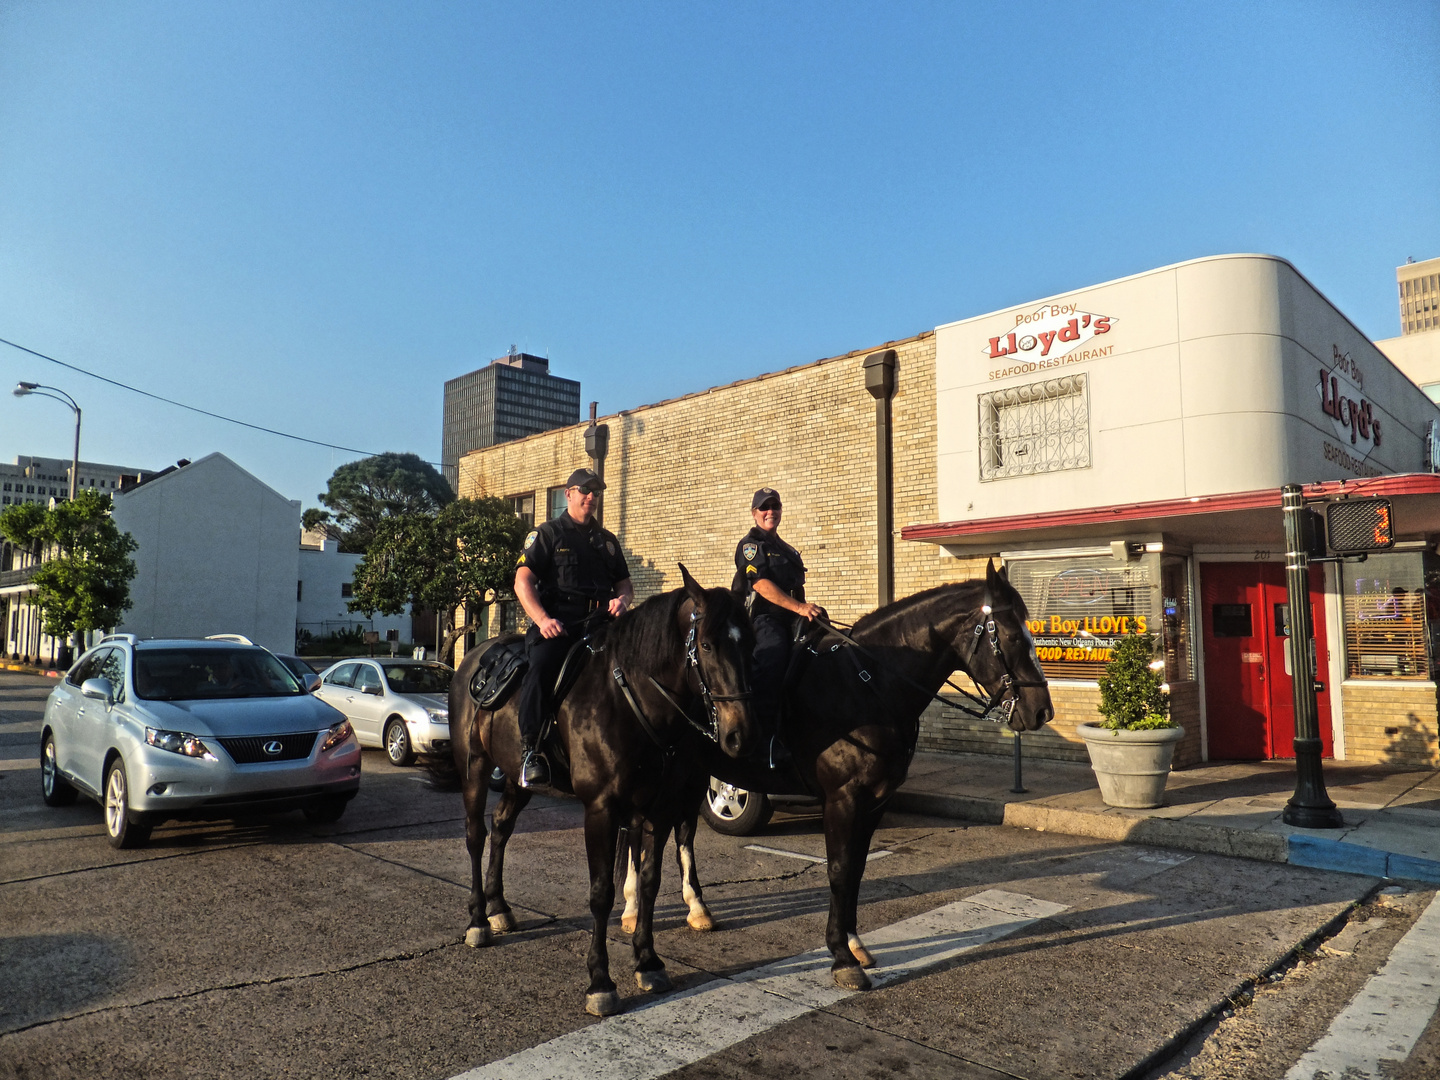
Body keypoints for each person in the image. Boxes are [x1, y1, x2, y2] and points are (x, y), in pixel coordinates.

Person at [513, 467, 633, 787]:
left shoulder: (606, 542)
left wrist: (623, 601)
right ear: (568, 494)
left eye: (596, 492)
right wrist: (542, 620)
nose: (591, 497)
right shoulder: (549, 533)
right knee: (541, 667)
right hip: (559, 624)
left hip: (601, 627)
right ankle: (531, 750)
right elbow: (522, 581)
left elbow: (625, 585)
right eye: (585, 490)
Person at [733, 487, 823, 766]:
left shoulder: (787, 549)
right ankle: (764, 740)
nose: (770, 511)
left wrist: (811, 616)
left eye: (775, 506)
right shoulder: (751, 546)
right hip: (763, 619)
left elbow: (797, 590)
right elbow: (760, 585)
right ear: (754, 513)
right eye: (764, 507)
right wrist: (799, 608)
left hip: (793, 617)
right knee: (772, 658)